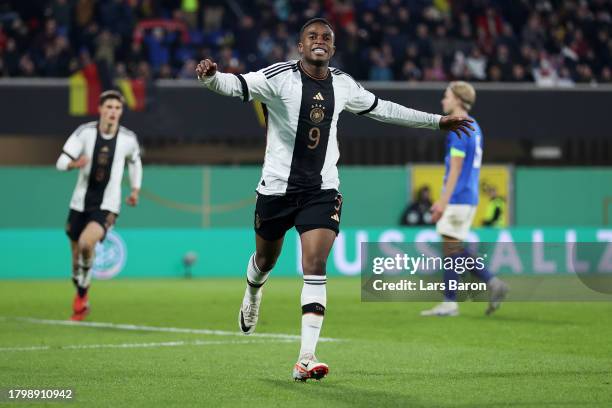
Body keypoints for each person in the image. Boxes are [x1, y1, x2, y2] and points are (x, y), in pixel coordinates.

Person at [196, 18, 473, 381]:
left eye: (326, 37)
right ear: (300, 46)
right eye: (312, 36)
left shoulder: (343, 84)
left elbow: (385, 109)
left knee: (315, 264)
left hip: (322, 190)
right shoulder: (280, 77)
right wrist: (211, 77)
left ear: (333, 47)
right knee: (265, 260)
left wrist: (436, 121)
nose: (319, 41)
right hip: (277, 189)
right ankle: (252, 294)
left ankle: (306, 358)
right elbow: (237, 85)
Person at [421, 81, 508, 317]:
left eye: (446, 96)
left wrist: (442, 201)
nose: (443, 101)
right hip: (467, 196)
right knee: (454, 247)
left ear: (458, 99)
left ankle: (459, 298)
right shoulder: (474, 125)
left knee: (452, 246)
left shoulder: (459, 127)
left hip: (458, 197)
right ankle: (488, 285)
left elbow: (456, 168)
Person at [56, 90, 142, 321]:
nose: (113, 112)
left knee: (86, 243)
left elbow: (135, 163)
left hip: (107, 205)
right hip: (79, 203)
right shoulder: (84, 133)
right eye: (109, 107)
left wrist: (135, 190)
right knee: (76, 263)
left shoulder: (127, 138)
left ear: (121, 112)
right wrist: (74, 164)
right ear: (100, 109)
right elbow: (61, 161)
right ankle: (82, 292)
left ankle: (83, 290)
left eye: (117, 108)